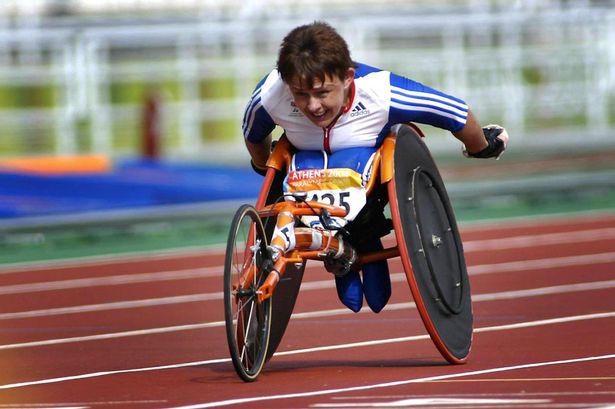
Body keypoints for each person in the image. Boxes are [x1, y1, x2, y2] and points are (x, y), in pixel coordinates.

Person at [242, 21, 509, 313]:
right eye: (301, 94)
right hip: (303, 176)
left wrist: (480, 145)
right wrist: (263, 165)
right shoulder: (271, 93)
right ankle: (341, 246)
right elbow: (253, 134)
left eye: (322, 93)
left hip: (368, 178)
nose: (313, 106)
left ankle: (364, 235)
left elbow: (454, 112)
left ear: (347, 77)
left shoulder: (380, 91)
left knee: (367, 208)